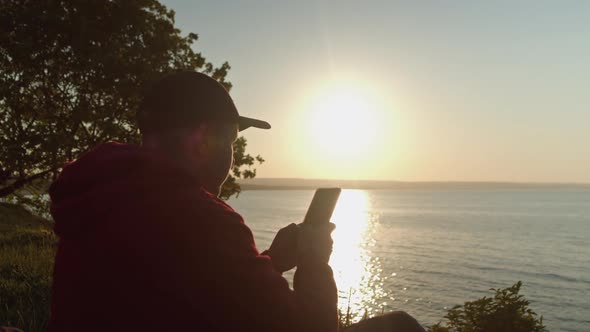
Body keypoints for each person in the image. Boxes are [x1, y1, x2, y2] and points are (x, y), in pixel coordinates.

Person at [48, 71, 425, 332]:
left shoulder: (101, 196)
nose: (231, 156)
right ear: (205, 140)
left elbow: (187, 290)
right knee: (400, 327)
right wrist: (313, 264)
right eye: (231, 141)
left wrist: (271, 263)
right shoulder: (198, 217)